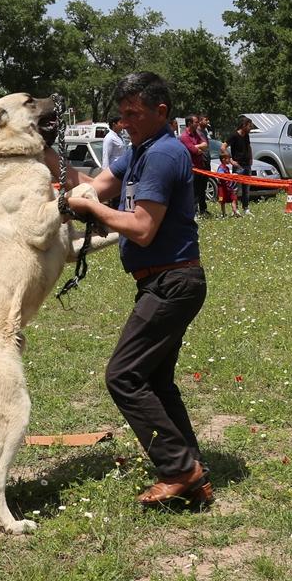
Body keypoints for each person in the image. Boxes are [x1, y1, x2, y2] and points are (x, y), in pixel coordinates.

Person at [65, 72, 211, 508]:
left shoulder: (165, 154)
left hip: (173, 283)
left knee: (124, 375)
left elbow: (143, 229)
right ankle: (192, 473)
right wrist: (48, 154)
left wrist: (90, 208)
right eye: (122, 113)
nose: (124, 122)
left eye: (134, 113)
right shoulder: (139, 151)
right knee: (156, 380)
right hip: (163, 282)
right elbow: (93, 186)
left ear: (160, 112)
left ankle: (178, 468)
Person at [179, 114, 211, 217]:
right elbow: (194, 151)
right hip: (191, 168)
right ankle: (194, 213)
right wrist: (197, 148)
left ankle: (203, 210)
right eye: (196, 122)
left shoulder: (196, 134)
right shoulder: (184, 136)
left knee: (202, 190)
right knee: (193, 192)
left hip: (201, 167)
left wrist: (196, 147)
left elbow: (205, 145)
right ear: (189, 123)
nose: (197, 124)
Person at [226, 116, 256, 215]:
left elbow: (249, 146)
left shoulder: (246, 135)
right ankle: (235, 210)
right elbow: (223, 147)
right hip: (238, 166)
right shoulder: (234, 135)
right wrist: (230, 160)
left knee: (246, 189)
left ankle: (246, 208)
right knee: (236, 189)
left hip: (247, 165)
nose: (250, 128)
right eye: (249, 126)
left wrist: (251, 158)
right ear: (243, 125)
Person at [216, 151, 239, 217]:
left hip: (229, 187)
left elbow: (228, 176)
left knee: (233, 199)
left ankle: (235, 212)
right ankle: (223, 213)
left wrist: (233, 175)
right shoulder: (221, 168)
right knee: (222, 200)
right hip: (222, 188)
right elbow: (220, 176)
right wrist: (231, 176)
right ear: (223, 159)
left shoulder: (227, 168)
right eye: (228, 158)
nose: (230, 160)